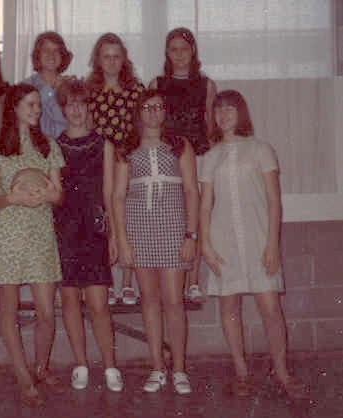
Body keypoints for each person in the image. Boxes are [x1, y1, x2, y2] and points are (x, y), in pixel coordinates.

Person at [199, 90, 307, 399]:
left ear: (241, 112)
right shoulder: (211, 156)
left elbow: (274, 202)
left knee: (270, 308)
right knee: (229, 307)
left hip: (259, 239)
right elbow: (205, 206)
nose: (223, 114)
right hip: (224, 243)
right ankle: (241, 372)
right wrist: (205, 244)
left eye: (229, 109)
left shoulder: (261, 150)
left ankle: (283, 372)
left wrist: (272, 244)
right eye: (218, 110)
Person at [0, 83, 64, 406]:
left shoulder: (49, 146)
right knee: (9, 311)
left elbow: (59, 193)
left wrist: (48, 195)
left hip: (40, 232)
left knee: (45, 310)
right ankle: (23, 375)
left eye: (38, 106)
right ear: (14, 107)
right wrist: (12, 197)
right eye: (29, 105)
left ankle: (41, 368)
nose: (36, 110)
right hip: (8, 234)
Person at [113, 90, 199, 395]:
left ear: (165, 111)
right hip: (140, 230)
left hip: (173, 228)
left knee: (174, 302)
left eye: (158, 107)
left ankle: (179, 369)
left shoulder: (179, 146)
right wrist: (122, 241)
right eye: (147, 107)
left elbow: (191, 192)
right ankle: (157, 368)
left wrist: (191, 235)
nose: (153, 112)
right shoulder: (127, 149)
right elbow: (118, 196)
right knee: (148, 301)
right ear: (139, 113)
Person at [53, 77, 123, 392]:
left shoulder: (103, 144)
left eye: (81, 103)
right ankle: (80, 363)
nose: (76, 110)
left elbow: (109, 196)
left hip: (94, 229)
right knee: (69, 299)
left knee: (98, 303)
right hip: (64, 230)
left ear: (88, 106)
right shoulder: (54, 146)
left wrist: (115, 237)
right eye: (70, 104)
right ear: (63, 109)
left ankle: (110, 365)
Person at [149, 27, 217, 303]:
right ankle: (173, 274)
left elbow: (210, 126)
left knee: (196, 215)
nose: (179, 55)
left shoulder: (206, 84)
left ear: (193, 52)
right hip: (168, 157)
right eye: (173, 49)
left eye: (184, 49)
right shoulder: (156, 84)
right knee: (174, 214)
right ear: (167, 53)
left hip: (198, 155)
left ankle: (193, 279)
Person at [86, 32, 145, 304]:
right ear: (98, 60)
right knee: (105, 219)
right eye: (106, 56)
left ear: (124, 60)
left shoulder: (136, 91)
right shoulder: (89, 91)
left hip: (127, 160)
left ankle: (128, 280)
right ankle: (107, 281)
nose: (111, 61)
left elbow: (142, 128)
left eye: (116, 56)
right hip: (98, 163)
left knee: (127, 217)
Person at [23, 31, 73, 140]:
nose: (51, 55)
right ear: (38, 54)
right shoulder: (26, 86)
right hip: (35, 149)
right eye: (46, 50)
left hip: (67, 149)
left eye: (56, 50)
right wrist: (51, 91)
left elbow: (70, 121)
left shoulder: (70, 87)